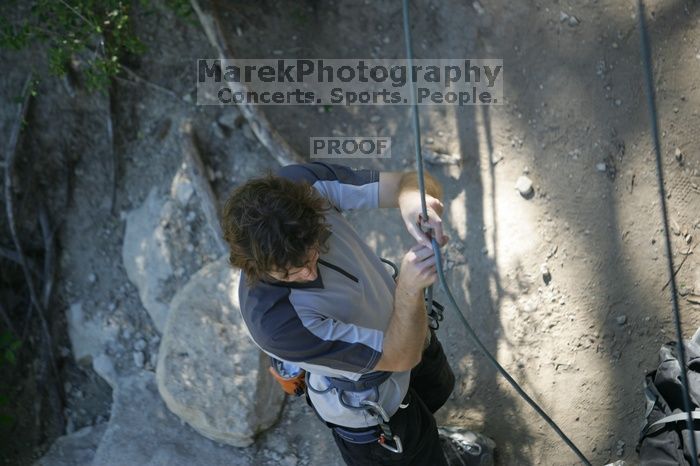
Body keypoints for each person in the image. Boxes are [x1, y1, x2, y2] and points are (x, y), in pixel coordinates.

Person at [222, 162, 455, 465]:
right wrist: (410, 289)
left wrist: (413, 200)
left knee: (435, 395)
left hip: (410, 330)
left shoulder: (302, 188)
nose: (307, 273)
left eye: (312, 254)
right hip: (375, 404)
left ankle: (436, 447)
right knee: (416, 454)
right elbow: (400, 356)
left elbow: (412, 181)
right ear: (254, 266)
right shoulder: (277, 324)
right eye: (288, 272)